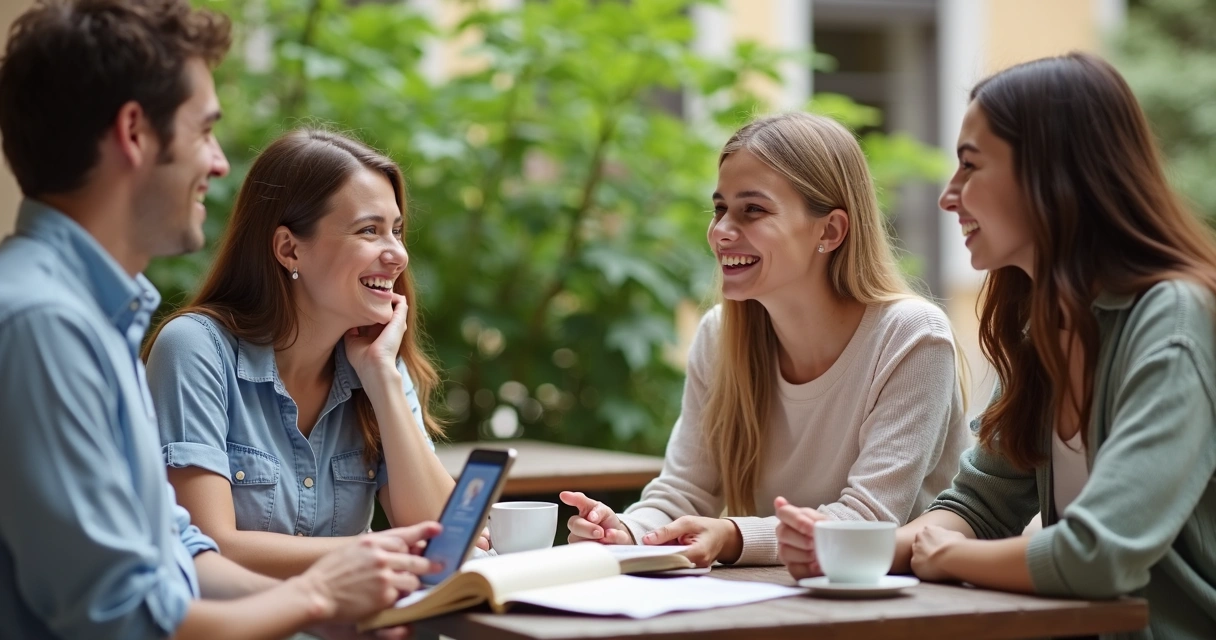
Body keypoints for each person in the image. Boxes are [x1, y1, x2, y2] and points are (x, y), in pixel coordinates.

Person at [0, 2, 437, 638]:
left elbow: (179, 552)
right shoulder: (43, 326)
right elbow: (120, 616)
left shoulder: (96, 318)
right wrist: (317, 597)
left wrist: (332, 608)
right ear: (133, 133)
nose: (219, 162)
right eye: (205, 131)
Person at [776, 53, 1216, 639]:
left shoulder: (1174, 320)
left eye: (970, 165)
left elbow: (1099, 554)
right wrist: (855, 549)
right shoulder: (1048, 327)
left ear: (1051, 172)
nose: (948, 196)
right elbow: (978, 507)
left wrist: (950, 557)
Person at [561, 112, 973, 567]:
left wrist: (734, 536)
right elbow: (684, 490)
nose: (720, 232)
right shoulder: (719, 337)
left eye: (752, 210)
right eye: (720, 209)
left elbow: (866, 519)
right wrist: (627, 531)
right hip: (782, 594)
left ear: (830, 231)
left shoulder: (912, 337)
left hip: (905, 602)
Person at [142, 128, 477, 580]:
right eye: (369, 230)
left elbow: (445, 542)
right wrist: (373, 551)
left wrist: (382, 378)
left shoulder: (375, 361)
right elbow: (207, 548)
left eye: (396, 231)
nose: (398, 254)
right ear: (289, 249)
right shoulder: (194, 348)